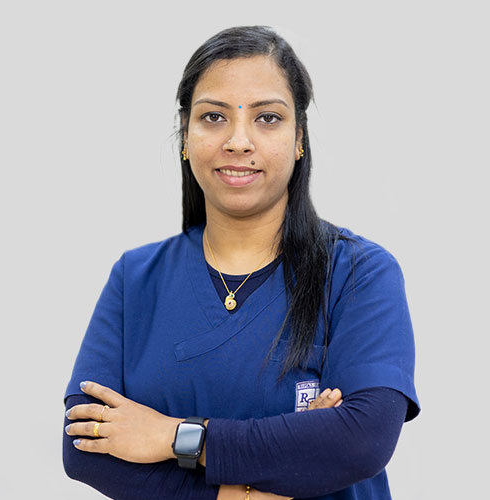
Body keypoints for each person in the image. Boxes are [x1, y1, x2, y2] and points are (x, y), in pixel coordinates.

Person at [62, 25, 420, 500]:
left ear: (299, 138)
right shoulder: (136, 279)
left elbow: (360, 441)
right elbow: (84, 447)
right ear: (185, 135)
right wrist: (247, 489)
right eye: (213, 117)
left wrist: (170, 436)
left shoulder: (359, 274)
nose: (238, 141)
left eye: (267, 118)